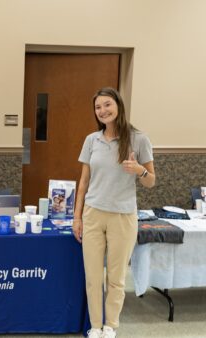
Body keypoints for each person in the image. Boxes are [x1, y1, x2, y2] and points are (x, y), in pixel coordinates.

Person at [73, 87, 155, 338]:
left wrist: (139, 170)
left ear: (118, 105)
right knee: (93, 277)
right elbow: (84, 181)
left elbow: (151, 181)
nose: (103, 111)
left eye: (107, 105)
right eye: (98, 107)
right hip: (93, 215)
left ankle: (111, 326)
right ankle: (95, 326)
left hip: (123, 216)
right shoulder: (92, 140)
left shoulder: (138, 139)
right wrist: (77, 216)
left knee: (117, 277)